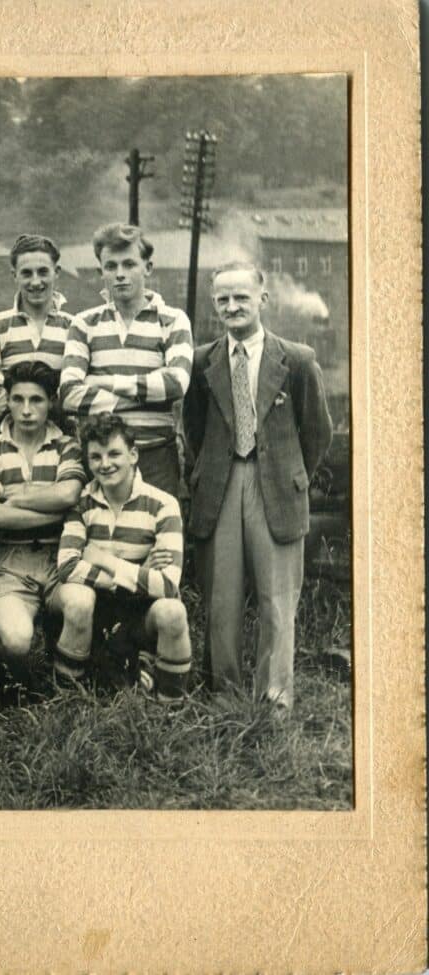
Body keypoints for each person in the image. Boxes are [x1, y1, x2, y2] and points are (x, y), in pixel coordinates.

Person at [184, 262, 333, 709]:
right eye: (223, 299)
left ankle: (275, 698)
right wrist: (210, 472)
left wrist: (290, 475)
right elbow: (194, 430)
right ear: (214, 305)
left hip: (278, 489)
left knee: (276, 601)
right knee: (222, 600)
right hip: (222, 486)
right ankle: (224, 696)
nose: (232, 306)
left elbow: (317, 432)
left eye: (241, 297)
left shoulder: (297, 360)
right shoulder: (200, 361)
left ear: (261, 300)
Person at [55, 413, 191, 700]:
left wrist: (104, 559)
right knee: (78, 598)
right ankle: (67, 701)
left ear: (133, 455)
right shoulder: (81, 504)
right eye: (95, 457)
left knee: (173, 612)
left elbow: (168, 586)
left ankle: (170, 710)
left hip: (141, 613)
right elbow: (67, 567)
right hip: (96, 611)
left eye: (114, 453)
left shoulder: (163, 504)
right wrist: (140, 572)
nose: (105, 464)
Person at [0, 361, 86, 686]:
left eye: (36, 400)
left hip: (60, 556)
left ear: (51, 402)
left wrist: (16, 496)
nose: (26, 410)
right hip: (8, 563)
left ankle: (68, 689)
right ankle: (20, 686)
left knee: (81, 604)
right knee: (17, 640)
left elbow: (68, 494)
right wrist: (53, 508)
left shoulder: (68, 445)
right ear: (6, 400)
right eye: (17, 399)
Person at [60, 224, 193, 496]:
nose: (120, 274)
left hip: (156, 457)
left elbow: (176, 385)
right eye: (111, 266)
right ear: (101, 272)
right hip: (102, 458)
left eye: (129, 264)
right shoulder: (84, 323)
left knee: (157, 534)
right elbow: (69, 395)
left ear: (148, 267)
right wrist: (146, 396)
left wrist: (104, 381)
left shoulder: (172, 320)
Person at [0, 234, 80, 434]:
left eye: (43, 272)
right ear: (14, 275)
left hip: (62, 437)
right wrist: (46, 404)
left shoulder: (75, 326)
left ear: (56, 272)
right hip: (7, 436)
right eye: (26, 273)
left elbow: (73, 391)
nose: (35, 281)